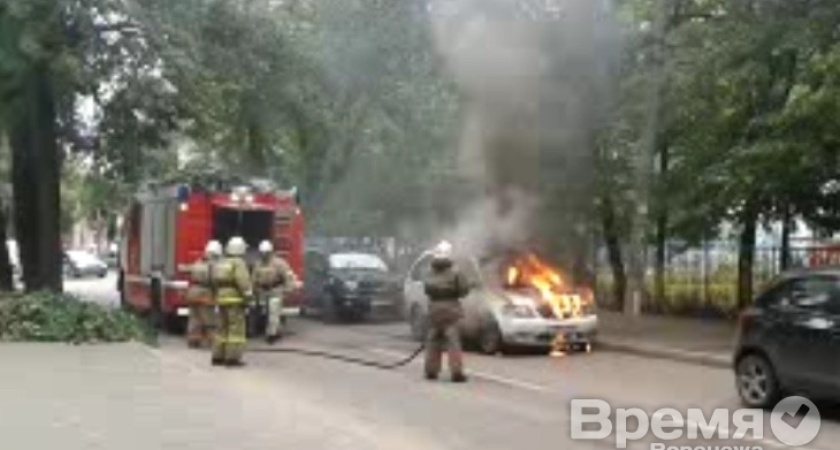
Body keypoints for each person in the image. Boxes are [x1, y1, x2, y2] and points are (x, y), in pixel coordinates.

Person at [423, 240, 471, 382]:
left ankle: (431, 371)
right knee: (453, 342)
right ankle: (456, 373)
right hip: (451, 311)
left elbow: (426, 290)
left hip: (434, 310)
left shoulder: (428, 272)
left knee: (433, 341)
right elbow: (464, 291)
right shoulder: (456, 272)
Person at [211, 236, 253, 367]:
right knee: (235, 330)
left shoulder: (222, 262)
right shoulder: (238, 263)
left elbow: (213, 280)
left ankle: (218, 356)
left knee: (221, 329)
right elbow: (243, 282)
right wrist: (248, 297)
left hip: (221, 299)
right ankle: (232, 359)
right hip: (235, 300)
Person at [252, 240, 302, 344]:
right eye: (262, 253)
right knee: (267, 313)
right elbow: (254, 279)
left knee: (273, 312)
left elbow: (288, 276)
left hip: (275, 290)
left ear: (270, 252)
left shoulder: (279, 263)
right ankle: (276, 330)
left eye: (266, 253)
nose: (264, 255)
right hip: (262, 291)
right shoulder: (258, 264)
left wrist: (289, 288)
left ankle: (271, 335)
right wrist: (253, 290)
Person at [184, 240, 222, 348]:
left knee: (194, 318)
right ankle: (214, 342)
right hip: (204, 294)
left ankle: (193, 340)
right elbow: (214, 281)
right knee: (209, 319)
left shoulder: (198, 262)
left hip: (192, 293)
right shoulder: (213, 265)